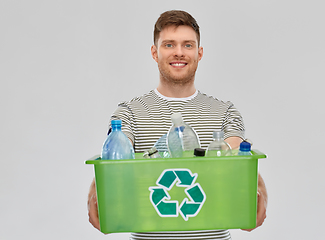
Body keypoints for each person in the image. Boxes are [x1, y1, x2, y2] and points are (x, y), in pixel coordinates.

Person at [88, 10, 267, 240]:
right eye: (169, 45)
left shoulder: (224, 111)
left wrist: (260, 187)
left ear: (199, 53)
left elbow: (238, 157)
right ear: (155, 52)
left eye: (188, 45)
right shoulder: (129, 112)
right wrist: (95, 189)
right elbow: (115, 157)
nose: (179, 53)